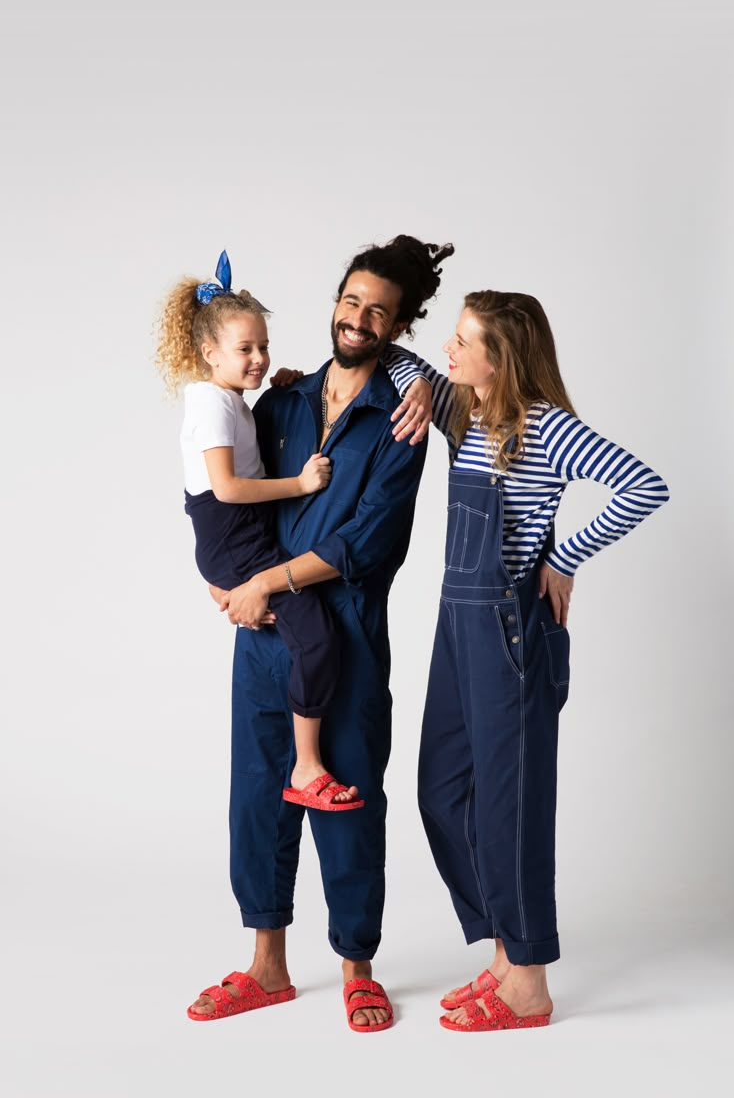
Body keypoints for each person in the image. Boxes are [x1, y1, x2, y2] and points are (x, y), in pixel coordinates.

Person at [185, 235, 453, 1031]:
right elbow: (229, 498)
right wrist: (226, 584)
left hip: (348, 637)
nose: (360, 317)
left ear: (398, 324)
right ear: (334, 303)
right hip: (262, 638)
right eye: (351, 300)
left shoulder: (400, 419)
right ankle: (266, 966)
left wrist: (265, 581)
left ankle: (357, 966)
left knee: (348, 800)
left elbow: (369, 542)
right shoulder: (280, 402)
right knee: (258, 800)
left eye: (379, 309)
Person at [393, 290, 669, 1031]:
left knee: (512, 809)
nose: (449, 351)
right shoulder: (460, 409)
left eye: (462, 340)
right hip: (457, 625)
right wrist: (399, 379)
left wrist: (565, 558)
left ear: (500, 355)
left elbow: (646, 485)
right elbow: (392, 359)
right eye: (450, 339)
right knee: (441, 790)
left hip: (510, 626)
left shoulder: (544, 427)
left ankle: (530, 983)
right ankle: (505, 953)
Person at [155, 250, 365, 810]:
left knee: (302, 630)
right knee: (317, 638)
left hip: (234, 539)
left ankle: (304, 760)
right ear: (209, 353)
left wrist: (286, 386)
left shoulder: (227, 400)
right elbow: (225, 487)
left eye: (263, 346)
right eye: (245, 349)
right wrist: (299, 486)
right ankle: (307, 766)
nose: (258, 358)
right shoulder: (214, 408)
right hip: (234, 536)